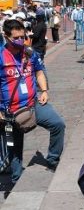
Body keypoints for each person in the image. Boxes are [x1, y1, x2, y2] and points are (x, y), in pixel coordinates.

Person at [0, 19, 65, 183]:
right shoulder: (1, 57)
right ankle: (16, 179)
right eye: (16, 38)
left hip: (33, 104)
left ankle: (53, 159)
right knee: (15, 148)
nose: (21, 41)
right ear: (6, 37)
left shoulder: (29, 53)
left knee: (58, 124)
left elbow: (39, 72)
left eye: (23, 36)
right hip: (10, 112)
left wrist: (44, 90)